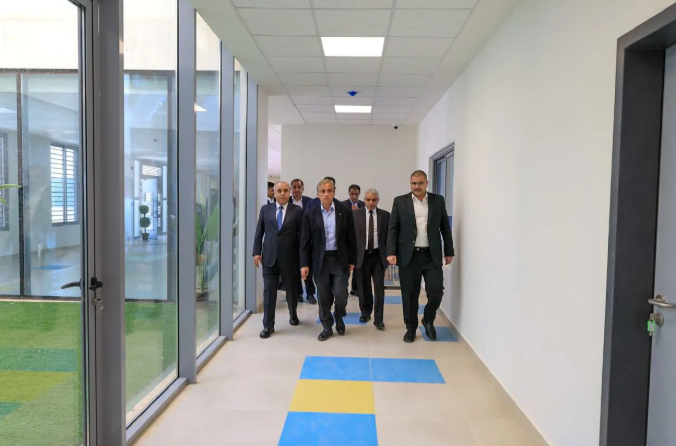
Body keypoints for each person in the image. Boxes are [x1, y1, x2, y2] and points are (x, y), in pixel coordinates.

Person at [387, 170, 454, 343]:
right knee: (409, 295)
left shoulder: (438, 200)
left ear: (427, 183)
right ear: (410, 184)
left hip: (431, 255)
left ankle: (428, 319)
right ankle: (411, 328)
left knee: (436, 292)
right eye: (413, 183)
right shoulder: (400, 201)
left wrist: (449, 251)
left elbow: (445, 227)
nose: (417, 186)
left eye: (420, 183)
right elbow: (393, 228)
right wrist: (391, 252)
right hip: (409, 256)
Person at [301, 178, 357, 341]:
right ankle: (327, 326)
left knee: (341, 294)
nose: (326, 194)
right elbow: (305, 240)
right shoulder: (310, 212)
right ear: (318, 194)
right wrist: (304, 264)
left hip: (339, 259)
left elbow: (351, 237)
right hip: (320, 260)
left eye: (329, 191)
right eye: (323, 191)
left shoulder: (344, 210)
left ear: (334, 192)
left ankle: (339, 316)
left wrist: (352, 260)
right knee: (323, 296)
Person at [253, 181, 303, 338]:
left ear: (289, 192)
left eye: (285, 191)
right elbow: (259, 232)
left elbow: (303, 237)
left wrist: (303, 261)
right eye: (279, 191)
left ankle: (293, 314)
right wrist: (256, 252)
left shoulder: (297, 211)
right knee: (269, 293)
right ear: (273, 193)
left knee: (292, 291)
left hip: (290, 259)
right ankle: (268, 326)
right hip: (269, 258)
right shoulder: (265, 209)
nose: (282, 193)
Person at [353, 188, 390, 330]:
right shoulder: (355, 214)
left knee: (379, 288)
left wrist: (390, 254)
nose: (370, 202)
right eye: (368, 199)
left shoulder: (385, 215)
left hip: (378, 256)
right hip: (361, 256)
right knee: (363, 287)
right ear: (364, 200)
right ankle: (365, 312)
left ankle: (379, 319)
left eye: (374, 200)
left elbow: (389, 237)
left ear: (378, 201)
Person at [290, 178, 316, 304]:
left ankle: (310, 293)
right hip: (291, 240)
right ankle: (298, 293)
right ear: (291, 189)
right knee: (294, 268)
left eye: (299, 187)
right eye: (294, 187)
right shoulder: (287, 202)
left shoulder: (309, 202)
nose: (296, 189)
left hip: (306, 240)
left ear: (303, 189)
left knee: (307, 267)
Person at [342, 184, 364, 296]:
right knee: (347, 266)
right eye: (352, 194)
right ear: (348, 193)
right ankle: (343, 288)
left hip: (360, 240)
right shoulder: (342, 205)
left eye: (356, 194)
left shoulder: (363, 205)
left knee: (358, 266)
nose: (354, 196)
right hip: (347, 241)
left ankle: (355, 288)